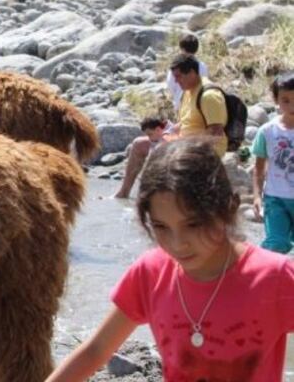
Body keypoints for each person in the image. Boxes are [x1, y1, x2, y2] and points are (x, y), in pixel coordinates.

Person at [47, 138, 294, 381]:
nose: (178, 243)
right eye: (161, 226)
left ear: (228, 207)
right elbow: (96, 350)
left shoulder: (276, 277)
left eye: (193, 224)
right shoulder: (150, 273)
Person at [115, 54, 227, 198]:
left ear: (192, 73)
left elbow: (215, 134)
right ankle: (123, 193)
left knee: (159, 152)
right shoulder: (188, 91)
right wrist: (168, 133)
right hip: (184, 140)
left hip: (204, 149)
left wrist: (183, 144)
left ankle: (152, 199)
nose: (175, 81)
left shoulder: (209, 96)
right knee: (139, 145)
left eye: (178, 76)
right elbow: (185, 122)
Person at [252, 72, 294, 254]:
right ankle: (268, 279)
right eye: (285, 100)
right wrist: (256, 196)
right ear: (276, 100)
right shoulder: (267, 131)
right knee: (276, 244)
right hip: (275, 198)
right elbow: (259, 167)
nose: (292, 105)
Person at [165, 34, 208, 111]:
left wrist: (176, 93)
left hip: (180, 101)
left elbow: (170, 84)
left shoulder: (176, 65)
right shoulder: (202, 65)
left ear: (182, 48)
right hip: (199, 100)